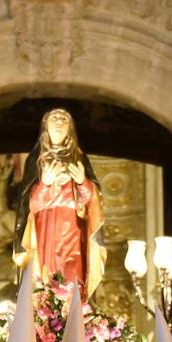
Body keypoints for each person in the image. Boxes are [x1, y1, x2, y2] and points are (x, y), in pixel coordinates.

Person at [13, 107, 106, 297]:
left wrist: (82, 182)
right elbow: (29, 205)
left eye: (64, 119)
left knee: (73, 277)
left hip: (74, 228)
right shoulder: (36, 160)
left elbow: (92, 202)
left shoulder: (79, 158)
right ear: (45, 126)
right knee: (47, 275)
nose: (58, 122)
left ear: (70, 128)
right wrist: (45, 184)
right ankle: (47, 312)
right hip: (46, 228)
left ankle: (75, 309)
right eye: (54, 118)